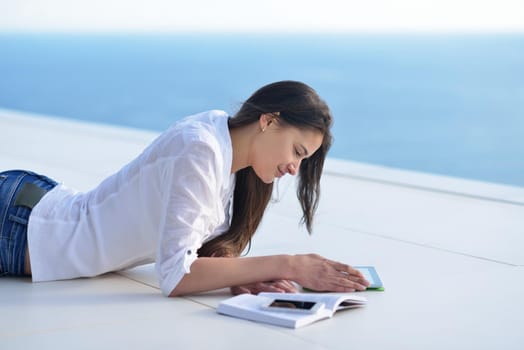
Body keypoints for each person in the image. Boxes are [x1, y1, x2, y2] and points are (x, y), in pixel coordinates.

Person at [0, 80, 369, 296]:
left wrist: (244, 276)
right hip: (21, 227)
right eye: (297, 152)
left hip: (35, 208)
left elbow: (193, 246)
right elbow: (176, 276)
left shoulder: (233, 158)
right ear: (269, 121)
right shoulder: (201, 148)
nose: (294, 168)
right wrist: (291, 264)